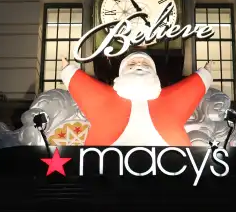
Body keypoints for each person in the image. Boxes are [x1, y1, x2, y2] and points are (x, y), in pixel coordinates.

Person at [60, 52, 214, 147]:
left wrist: (205, 73)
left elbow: (190, 88)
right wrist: (68, 69)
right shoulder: (103, 98)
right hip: (108, 163)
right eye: (132, 64)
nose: (139, 65)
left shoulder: (171, 98)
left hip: (169, 163)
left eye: (144, 63)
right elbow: (83, 86)